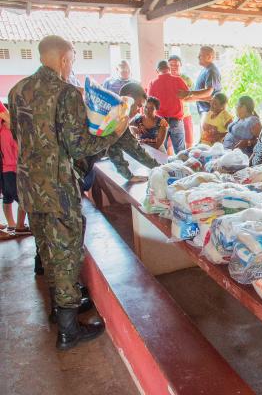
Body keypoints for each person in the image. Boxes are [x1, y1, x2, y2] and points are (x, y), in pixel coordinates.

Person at [8, 35, 130, 350]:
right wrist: (113, 133)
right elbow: (78, 147)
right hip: (56, 186)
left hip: (29, 186)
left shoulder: (17, 90)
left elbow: (18, 133)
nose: (72, 64)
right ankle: (68, 330)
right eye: (72, 59)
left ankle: (58, 310)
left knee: (47, 248)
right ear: (64, 59)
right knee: (65, 252)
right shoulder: (65, 94)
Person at [147, 60, 189, 154]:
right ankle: (182, 168)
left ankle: (163, 168)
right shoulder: (178, 80)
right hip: (176, 120)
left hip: (160, 122)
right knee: (181, 152)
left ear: (157, 71)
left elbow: (149, 103)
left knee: (161, 152)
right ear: (169, 69)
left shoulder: (152, 83)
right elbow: (187, 95)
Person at [0, 102, 29, 238]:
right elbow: (19, 151)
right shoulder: (10, 134)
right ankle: (20, 225)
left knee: (7, 198)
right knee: (24, 200)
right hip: (14, 170)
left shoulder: (2, 133)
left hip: (5, 171)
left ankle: (12, 224)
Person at [168, 55, 195, 148]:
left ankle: (188, 161)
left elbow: (193, 95)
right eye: (171, 65)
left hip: (185, 114)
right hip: (170, 117)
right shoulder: (165, 79)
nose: (174, 67)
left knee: (189, 141)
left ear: (181, 65)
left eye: (176, 65)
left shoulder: (187, 79)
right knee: (169, 144)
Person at [186, 46, 221, 117]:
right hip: (205, 111)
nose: (198, 57)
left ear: (209, 57)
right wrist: (189, 97)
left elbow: (209, 93)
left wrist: (189, 94)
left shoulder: (212, 71)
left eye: (200, 55)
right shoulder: (206, 70)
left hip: (210, 112)